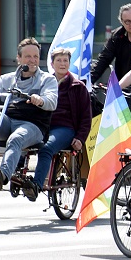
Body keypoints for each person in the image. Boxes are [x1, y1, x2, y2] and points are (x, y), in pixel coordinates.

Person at [0, 38, 59, 194]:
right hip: (8, 121)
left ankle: (2, 174)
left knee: (16, 138)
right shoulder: (6, 79)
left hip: (33, 126)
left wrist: (40, 100)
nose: (32, 60)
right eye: (28, 56)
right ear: (19, 58)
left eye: (36, 56)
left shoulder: (47, 79)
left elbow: (52, 101)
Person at [29, 47, 92, 201]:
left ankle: (35, 186)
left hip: (65, 129)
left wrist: (80, 138)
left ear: (70, 63)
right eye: (59, 60)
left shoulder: (78, 87)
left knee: (46, 149)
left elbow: (86, 116)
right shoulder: (43, 83)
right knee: (21, 141)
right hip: (43, 126)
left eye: (65, 61)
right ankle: (17, 178)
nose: (62, 64)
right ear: (52, 63)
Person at [90, 3, 131, 84]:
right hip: (122, 86)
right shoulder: (116, 36)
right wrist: (88, 82)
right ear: (122, 22)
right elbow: (104, 60)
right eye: (127, 21)